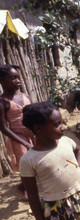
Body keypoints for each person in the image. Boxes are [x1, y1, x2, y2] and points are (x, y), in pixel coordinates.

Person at [0, 65, 35, 196]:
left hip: (33, 133)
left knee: (37, 162)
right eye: (13, 78)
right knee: (26, 166)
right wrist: (24, 143)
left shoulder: (25, 96)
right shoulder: (3, 103)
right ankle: (29, 194)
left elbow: (33, 114)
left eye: (18, 78)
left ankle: (22, 187)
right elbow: (3, 128)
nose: (18, 81)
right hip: (18, 138)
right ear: (2, 81)